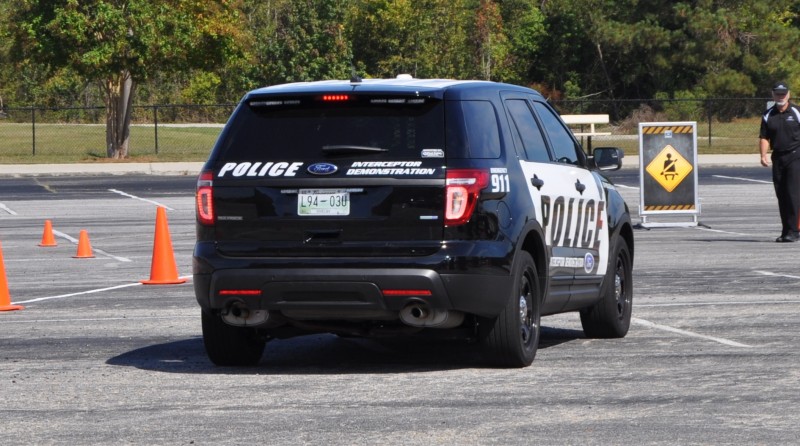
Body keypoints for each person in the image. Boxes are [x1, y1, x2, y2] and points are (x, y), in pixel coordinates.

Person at [760, 81, 800, 242]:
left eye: (783, 94)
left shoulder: (797, 112)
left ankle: (795, 231)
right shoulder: (768, 114)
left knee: (793, 194)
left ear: (788, 95)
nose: (781, 96)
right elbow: (764, 137)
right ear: (773, 95)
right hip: (778, 157)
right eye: (777, 94)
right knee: (781, 195)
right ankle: (786, 231)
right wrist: (763, 155)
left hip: (796, 156)